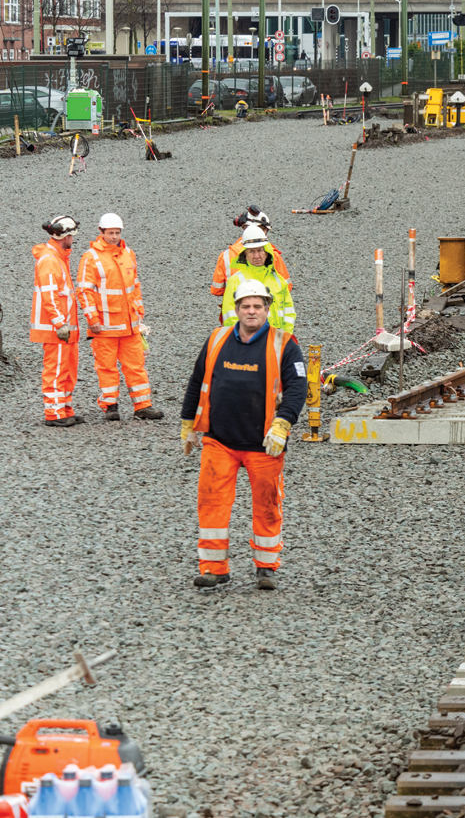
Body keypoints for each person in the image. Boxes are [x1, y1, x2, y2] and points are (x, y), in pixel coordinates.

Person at [180, 280, 306, 591]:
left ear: (267, 309)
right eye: (246, 306)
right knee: (211, 503)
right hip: (219, 441)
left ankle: (266, 567)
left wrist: (283, 424)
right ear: (236, 309)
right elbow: (197, 381)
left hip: (264, 444)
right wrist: (187, 423)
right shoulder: (218, 338)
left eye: (257, 306)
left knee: (267, 504)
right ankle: (213, 568)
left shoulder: (285, 344)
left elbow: (297, 389)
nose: (252, 311)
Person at [76, 213, 164, 421]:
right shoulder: (91, 257)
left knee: (136, 365)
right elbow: (84, 291)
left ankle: (143, 406)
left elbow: (135, 286)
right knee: (106, 367)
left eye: (117, 233)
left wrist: (139, 312)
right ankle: (110, 406)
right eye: (110, 233)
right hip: (104, 326)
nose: (114, 236)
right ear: (101, 232)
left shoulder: (128, 254)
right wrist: (93, 320)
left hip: (129, 325)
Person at [30, 216, 83, 427]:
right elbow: (50, 296)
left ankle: (64, 409)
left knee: (68, 370)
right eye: (71, 235)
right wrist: (60, 323)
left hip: (64, 329)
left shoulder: (58, 258)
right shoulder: (51, 260)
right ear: (64, 236)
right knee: (56, 370)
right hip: (57, 330)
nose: (73, 239)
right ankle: (54, 413)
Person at [212, 206, 290, 321]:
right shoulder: (273, 255)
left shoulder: (226, 256)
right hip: (271, 321)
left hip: (236, 318)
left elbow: (216, 290)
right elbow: (286, 287)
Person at [221, 225, 296, 335]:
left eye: (260, 250)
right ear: (244, 254)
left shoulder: (279, 280)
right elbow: (230, 317)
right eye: (251, 251)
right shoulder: (235, 281)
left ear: (267, 252)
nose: (257, 256)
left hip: (276, 342)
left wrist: (284, 339)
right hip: (248, 344)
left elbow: (289, 314)